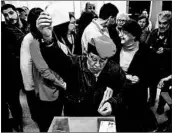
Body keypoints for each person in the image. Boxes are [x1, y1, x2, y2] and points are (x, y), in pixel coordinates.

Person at [36, 11, 127, 130]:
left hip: (103, 117)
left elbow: (124, 91)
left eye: (102, 61)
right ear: (87, 54)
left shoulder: (114, 69)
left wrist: (112, 102)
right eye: (93, 59)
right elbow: (57, 59)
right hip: (76, 116)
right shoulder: (75, 64)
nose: (97, 65)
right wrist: (48, 39)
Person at [20, 7, 66, 132]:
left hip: (54, 86)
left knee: (55, 118)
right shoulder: (31, 40)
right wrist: (30, 90)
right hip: (40, 88)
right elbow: (27, 67)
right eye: (41, 21)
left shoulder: (50, 34)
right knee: (44, 120)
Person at [113, 19, 157, 131]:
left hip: (137, 96)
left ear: (134, 35)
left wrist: (140, 80)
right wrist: (122, 76)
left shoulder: (146, 52)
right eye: (120, 31)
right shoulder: (115, 48)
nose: (120, 35)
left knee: (134, 124)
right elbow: (109, 69)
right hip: (118, 94)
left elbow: (153, 75)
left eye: (124, 33)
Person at [1, 4, 29, 132]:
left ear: (17, 12)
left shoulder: (28, 25)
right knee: (13, 99)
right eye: (5, 15)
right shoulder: (4, 30)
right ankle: (17, 123)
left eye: (11, 13)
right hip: (12, 70)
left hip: (30, 67)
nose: (8, 17)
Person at [146, 11, 172, 107]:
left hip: (167, 67)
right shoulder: (153, 32)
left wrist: (166, 50)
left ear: (169, 23)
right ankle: (151, 100)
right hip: (154, 65)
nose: (161, 26)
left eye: (164, 23)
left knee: (164, 89)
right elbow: (147, 46)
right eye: (160, 23)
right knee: (152, 85)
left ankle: (161, 106)